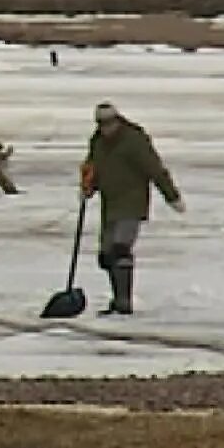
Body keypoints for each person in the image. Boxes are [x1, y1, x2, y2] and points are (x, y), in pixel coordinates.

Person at [80, 102, 184, 315]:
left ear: (118, 120)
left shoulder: (134, 140)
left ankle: (123, 303)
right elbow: (92, 167)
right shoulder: (98, 142)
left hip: (131, 202)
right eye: (101, 124)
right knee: (106, 255)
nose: (106, 128)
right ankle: (118, 297)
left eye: (109, 123)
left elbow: (155, 169)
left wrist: (171, 196)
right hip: (110, 204)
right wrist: (88, 186)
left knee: (120, 248)